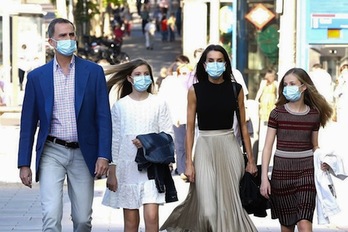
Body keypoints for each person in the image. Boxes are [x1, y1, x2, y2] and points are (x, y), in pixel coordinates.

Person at [17, 18, 112, 232]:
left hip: (83, 152)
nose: (69, 39)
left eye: (71, 34)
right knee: (51, 215)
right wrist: (24, 163)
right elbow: (28, 124)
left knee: (82, 219)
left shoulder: (93, 72)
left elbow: (103, 117)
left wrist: (103, 155)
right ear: (51, 42)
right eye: (62, 36)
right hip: (52, 151)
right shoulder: (37, 77)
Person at [160, 44, 258, 232]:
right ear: (204, 65)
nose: (215, 64)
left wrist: (251, 161)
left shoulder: (235, 89)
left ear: (226, 64)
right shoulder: (195, 90)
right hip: (204, 147)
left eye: (219, 61)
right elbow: (189, 129)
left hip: (229, 147)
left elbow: (243, 127)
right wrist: (188, 163)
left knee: (228, 207)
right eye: (211, 61)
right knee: (207, 210)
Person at [102, 58, 175, 232]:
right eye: (137, 74)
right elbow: (115, 140)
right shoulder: (120, 106)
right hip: (126, 169)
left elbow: (168, 135)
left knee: (152, 218)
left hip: (152, 167)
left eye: (146, 74)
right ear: (129, 78)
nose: (142, 78)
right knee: (131, 222)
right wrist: (112, 172)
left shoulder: (159, 103)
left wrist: (147, 141)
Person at [260, 68, 333, 232]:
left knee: (304, 223)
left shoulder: (314, 115)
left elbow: (315, 145)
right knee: (287, 226)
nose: (287, 88)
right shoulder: (277, 114)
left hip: (306, 173)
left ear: (303, 87)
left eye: (292, 84)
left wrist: (323, 161)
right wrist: (265, 178)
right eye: (285, 84)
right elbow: (267, 148)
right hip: (282, 175)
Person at [158, 63, 193, 179]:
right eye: (181, 73)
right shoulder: (173, 85)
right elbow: (170, 102)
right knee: (180, 145)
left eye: (186, 73)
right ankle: (182, 169)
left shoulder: (194, 84)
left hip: (194, 120)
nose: (184, 76)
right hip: (179, 119)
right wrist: (175, 116)